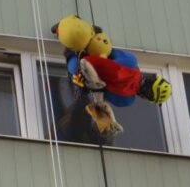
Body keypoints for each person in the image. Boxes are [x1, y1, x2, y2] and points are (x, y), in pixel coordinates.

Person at [50, 16, 172, 145]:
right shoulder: (126, 100)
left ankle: (73, 28)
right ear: (147, 97)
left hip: (92, 54)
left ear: (152, 80)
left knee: (78, 70)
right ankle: (67, 43)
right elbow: (102, 93)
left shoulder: (131, 61)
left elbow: (108, 50)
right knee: (74, 70)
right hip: (83, 70)